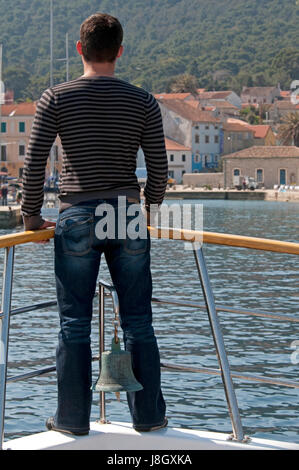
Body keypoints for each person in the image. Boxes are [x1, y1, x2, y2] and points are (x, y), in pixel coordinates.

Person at [21, 13, 168, 436]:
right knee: (138, 321)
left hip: (76, 215)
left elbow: (34, 164)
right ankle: (149, 417)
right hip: (126, 215)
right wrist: (151, 207)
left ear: (80, 49)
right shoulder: (142, 101)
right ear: (119, 51)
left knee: (73, 324)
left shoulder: (55, 98)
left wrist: (31, 216)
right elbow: (157, 167)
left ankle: (71, 419)